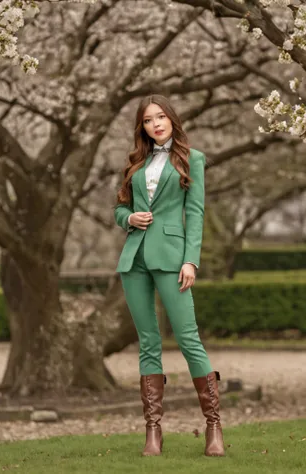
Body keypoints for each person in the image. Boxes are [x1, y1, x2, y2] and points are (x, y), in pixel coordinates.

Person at [113, 94, 225, 457]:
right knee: (148, 342)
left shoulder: (192, 159)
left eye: (160, 117)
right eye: (148, 120)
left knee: (188, 338)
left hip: (173, 258)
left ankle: (213, 428)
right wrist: (128, 218)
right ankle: (153, 432)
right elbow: (119, 207)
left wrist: (191, 260)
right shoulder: (135, 161)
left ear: (172, 119)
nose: (155, 124)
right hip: (135, 258)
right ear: (141, 127)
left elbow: (195, 213)